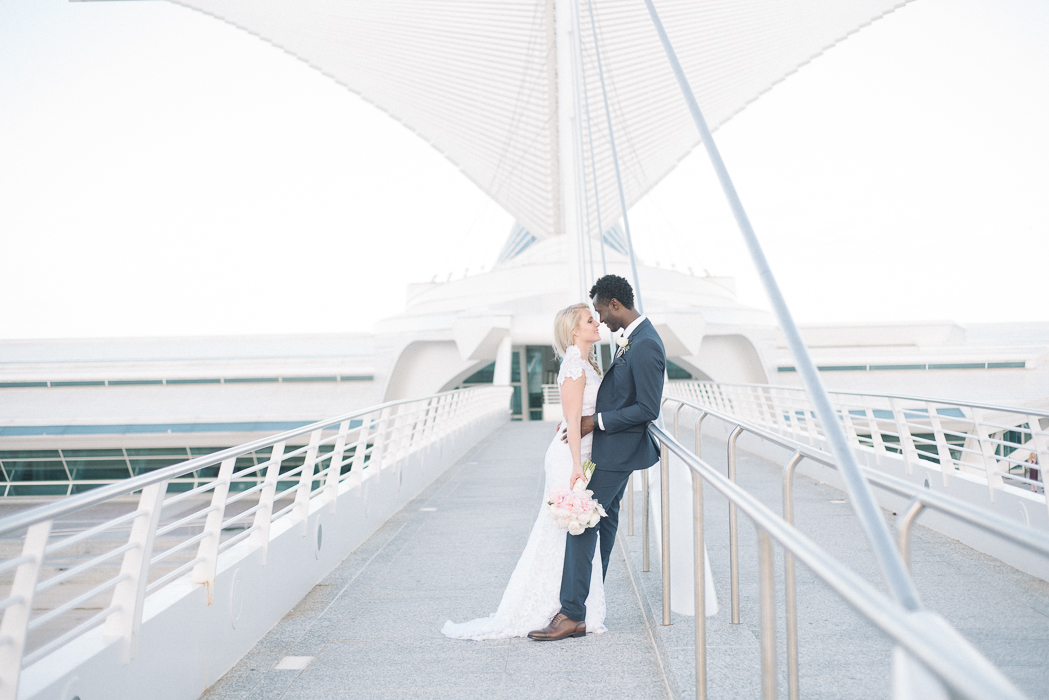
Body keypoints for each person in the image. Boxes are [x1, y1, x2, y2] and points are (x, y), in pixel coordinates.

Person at [441, 302, 607, 640]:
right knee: (562, 529)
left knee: (569, 532)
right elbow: (573, 422)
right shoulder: (574, 367)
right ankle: (554, 607)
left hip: (582, 453)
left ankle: (567, 606)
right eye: (590, 320)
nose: (597, 322)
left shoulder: (587, 363)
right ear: (575, 330)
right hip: (571, 457)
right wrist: (577, 465)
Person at [529, 274, 665, 641]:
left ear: (616, 305)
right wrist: (585, 430)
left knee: (587, 522)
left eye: (601, 312)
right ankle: (584, 606)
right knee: (597, 523)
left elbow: (648, 407)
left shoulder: (645, 344)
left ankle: (573, 612)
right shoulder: (633, 341)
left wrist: (597, 421)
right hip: (604, 451)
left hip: (614, 450)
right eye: (593, 317)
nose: (601, 319)